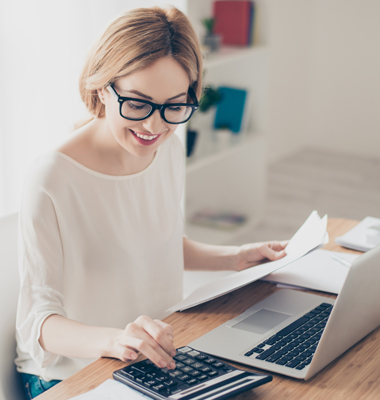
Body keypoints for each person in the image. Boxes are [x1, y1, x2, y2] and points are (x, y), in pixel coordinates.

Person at [15, 6, 287, 399]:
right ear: (102, 86)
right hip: (72, 377)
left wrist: (236, 257)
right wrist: (115, 340)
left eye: (174, 106)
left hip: (153, 364)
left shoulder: (168, 150)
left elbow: (156, 244)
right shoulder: (53, 177)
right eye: (138, 104)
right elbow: (37, 322)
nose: (154, 126)